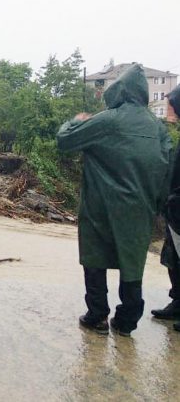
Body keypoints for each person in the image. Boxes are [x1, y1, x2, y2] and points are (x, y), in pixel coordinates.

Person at [57, 64, 171, 337]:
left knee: (95, 255)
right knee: (133, 262)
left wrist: (77, 120)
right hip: (140, 208)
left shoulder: (107, 120)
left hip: (101, 206)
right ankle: (127, 321)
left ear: (117, 91)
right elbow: (166, 169)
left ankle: (97, 316)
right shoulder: (157, 128)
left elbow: (65, 141)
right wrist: (157, 205)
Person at [153, 85, 180, 331]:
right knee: (172, 259)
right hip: (174, 211)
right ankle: (177, 302)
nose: (170, 107)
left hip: (178, 207)